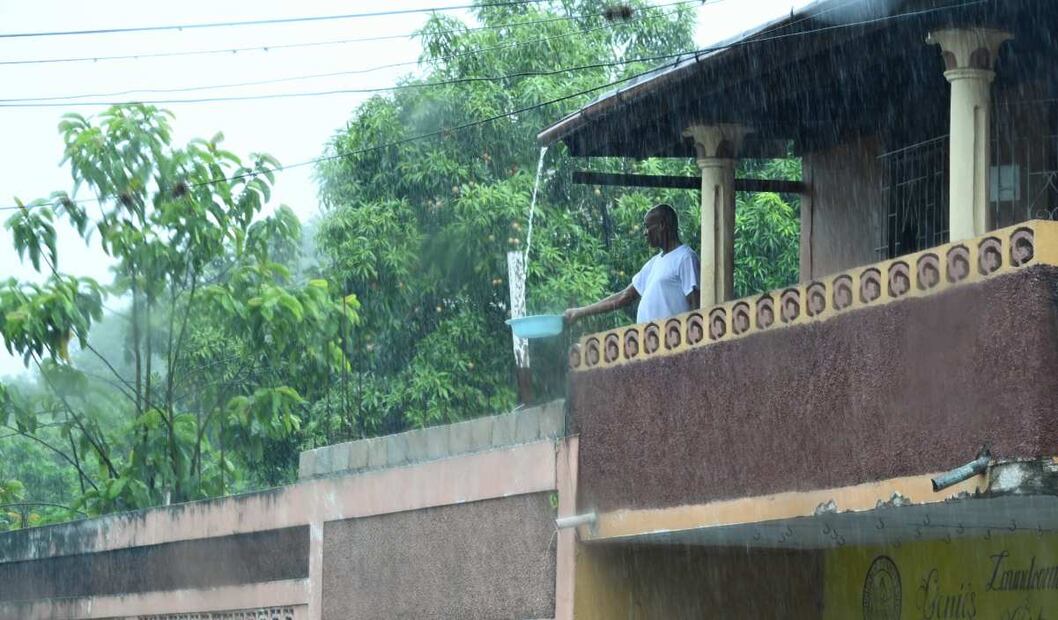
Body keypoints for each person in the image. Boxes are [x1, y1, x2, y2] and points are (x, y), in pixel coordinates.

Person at [564, 203, 700, 325]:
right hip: (648, 346)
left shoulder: (685, 257)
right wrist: (581, 311)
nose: (645, 233)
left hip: (673, 346)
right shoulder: (654, 263)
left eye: (647, 227)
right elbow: (624, 297)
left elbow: (695, 306)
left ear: (662, 225)